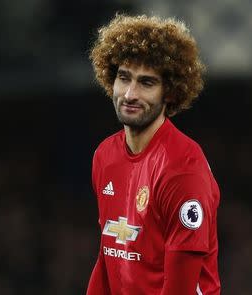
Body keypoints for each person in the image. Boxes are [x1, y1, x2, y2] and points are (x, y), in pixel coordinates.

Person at [86, 14, 220, 295]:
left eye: (146, 83)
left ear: (169, 93)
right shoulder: (104, 156)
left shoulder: (183, 168)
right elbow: (109, 256)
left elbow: (180, 288)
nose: (130, 94)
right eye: (124, 78)